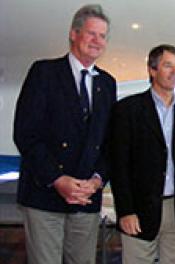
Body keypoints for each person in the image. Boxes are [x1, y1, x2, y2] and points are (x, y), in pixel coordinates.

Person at [13, 4, 116, 264]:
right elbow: (26, 134)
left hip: (86, 198)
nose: (97, 41)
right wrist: (58, 179)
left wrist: (96, 180)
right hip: (45, 194)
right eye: (92, 34)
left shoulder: (107, 83)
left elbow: (109, 141)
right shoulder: (44, 72)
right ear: (74, 34)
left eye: (103, 36)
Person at [108, 44, 175, 264]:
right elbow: (118, 165)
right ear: (152, 70)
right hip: (140, 211)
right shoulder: (128, 110)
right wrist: (125, 211)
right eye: (167, 65)